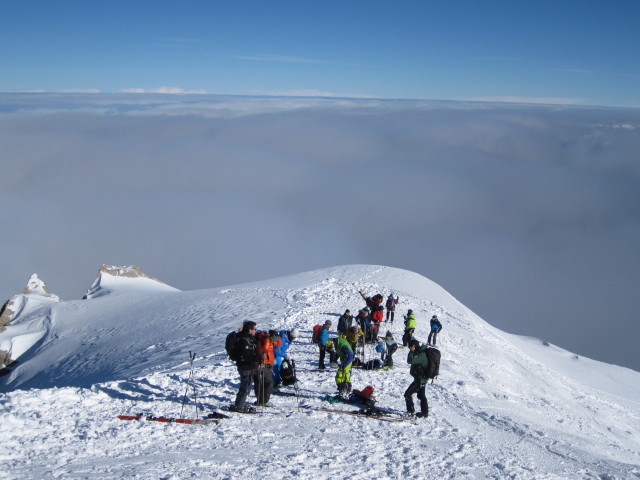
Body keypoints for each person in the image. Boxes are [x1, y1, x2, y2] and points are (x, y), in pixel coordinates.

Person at [230, 321, 259, 413]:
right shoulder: (244, 340)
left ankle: (239, 404)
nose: (256, 331)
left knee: (246, 386)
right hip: (246, 367)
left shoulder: (246, 338)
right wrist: (256, 360)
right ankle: (239, 406)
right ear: (250, 330)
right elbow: (246, 355)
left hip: (246, 366)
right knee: (245, 387)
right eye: (255, 329)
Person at [254, 329, 281, 407]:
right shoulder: (267, 340)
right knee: (268, 382)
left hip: (265, 363)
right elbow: (265, 349)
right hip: (264, 363)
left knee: (263, 382)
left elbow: (278, 342)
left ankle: (260, 400)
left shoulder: (267, 339)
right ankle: (263, 401)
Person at [404, 339, 429, 418]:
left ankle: (410, 411)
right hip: (421, 379)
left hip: (420, 380)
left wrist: (411, 352)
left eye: (410, 347)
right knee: (421, 396)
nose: (409, 348)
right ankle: (424, 412)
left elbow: (410, 360)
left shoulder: (421, 355)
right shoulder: (420, 353)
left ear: (414, 346)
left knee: (407, 394)